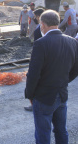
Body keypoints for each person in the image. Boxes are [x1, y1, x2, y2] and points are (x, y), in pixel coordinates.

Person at [25, 10, 78, 144]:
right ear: (58, 22)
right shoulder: (72, 42)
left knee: (43, 133)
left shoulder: (41, 43)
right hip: (62, 94)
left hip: (44, 96)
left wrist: (30, 94)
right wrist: (63, 81)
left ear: (42, 24)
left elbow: (33, 74)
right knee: (61, 130)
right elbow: (75, 69)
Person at [24, 8, 45, 112]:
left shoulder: (38, 30)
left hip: (39, 61)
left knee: (32, 81)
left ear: (39, 17)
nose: (35, 18)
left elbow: (37, 48)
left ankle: (34, 104)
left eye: (36, 17)